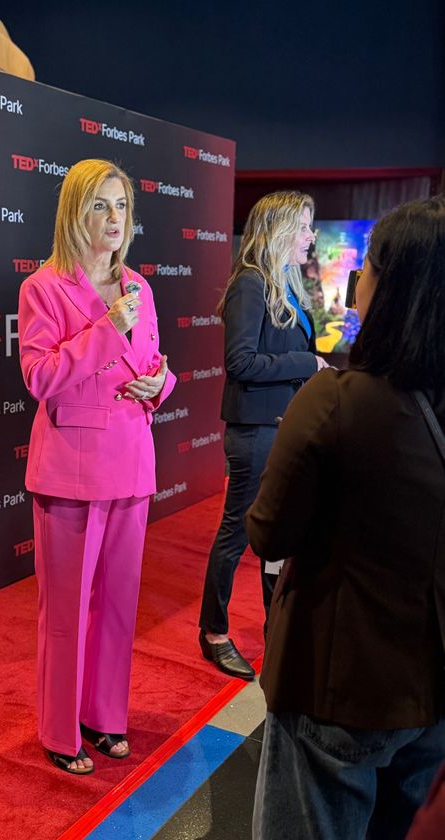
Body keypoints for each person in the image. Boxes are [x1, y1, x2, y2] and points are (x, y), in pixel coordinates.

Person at [248, 195, 445, 839]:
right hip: (429, 691)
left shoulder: (334, 401)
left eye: (367, 266)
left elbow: (269, 531)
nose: (356, 277)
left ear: (392, 287)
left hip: (336, 684)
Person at [18, 159, 176, 775]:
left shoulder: (141, 287)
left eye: (121, 207)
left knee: (117, 605)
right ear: (75, 213)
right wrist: (107, 329)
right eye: (100, 206)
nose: (114, 220)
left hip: (133, 462)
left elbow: (155, 363)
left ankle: (105, 716)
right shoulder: (44, 288)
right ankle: (60, 729)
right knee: (65, 611)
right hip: (71, 472)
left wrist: (160, 384)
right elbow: (40, 377)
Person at [198, 191, 327, 678]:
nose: (311, 238)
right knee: (237, 534)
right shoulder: (250, 285)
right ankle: (214, 632)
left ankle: (278, 631)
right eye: (304, 228)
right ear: (277, 231)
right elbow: (241, 362)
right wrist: (307, 363)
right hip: (255, 434)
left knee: (283, 534)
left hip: (287, 431)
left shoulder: (286, 285)